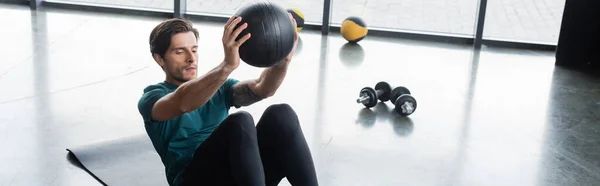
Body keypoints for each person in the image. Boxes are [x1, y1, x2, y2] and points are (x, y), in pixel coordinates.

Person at [137, 15, 318, 186]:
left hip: (240, 174)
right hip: (193, 179)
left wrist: (282, 61)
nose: (191, 58)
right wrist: (227, 65)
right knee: (240, 121)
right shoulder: (152, 98)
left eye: (194, 50)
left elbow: (263, 88)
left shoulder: (220, 87)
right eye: (179, 52)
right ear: (160, 59)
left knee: (281, 114)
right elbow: (183, 103)